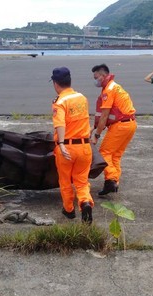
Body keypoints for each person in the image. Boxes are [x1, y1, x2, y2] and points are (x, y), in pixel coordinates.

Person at [50, 67, 94, 224]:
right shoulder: (82, 97)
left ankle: (69, 210)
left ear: (56, 83)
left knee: (65, 181)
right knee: (82, 180)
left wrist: (61, 143)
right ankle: (85, 202)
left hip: (67, 148)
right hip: (84, 147)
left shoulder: (59, 102)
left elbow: (60, 123)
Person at [90, 63, 137, 196]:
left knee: (104, 152)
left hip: (120, 126)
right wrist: (93, 128)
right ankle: (113, 182)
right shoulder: (114, 86)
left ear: (103, 75)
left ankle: (110, 180)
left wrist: (96, 135)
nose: (94, 80)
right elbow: (103, 116)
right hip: (130, 124)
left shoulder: (108, 90)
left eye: (96, 77)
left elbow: (105, 115)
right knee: (115, 155)